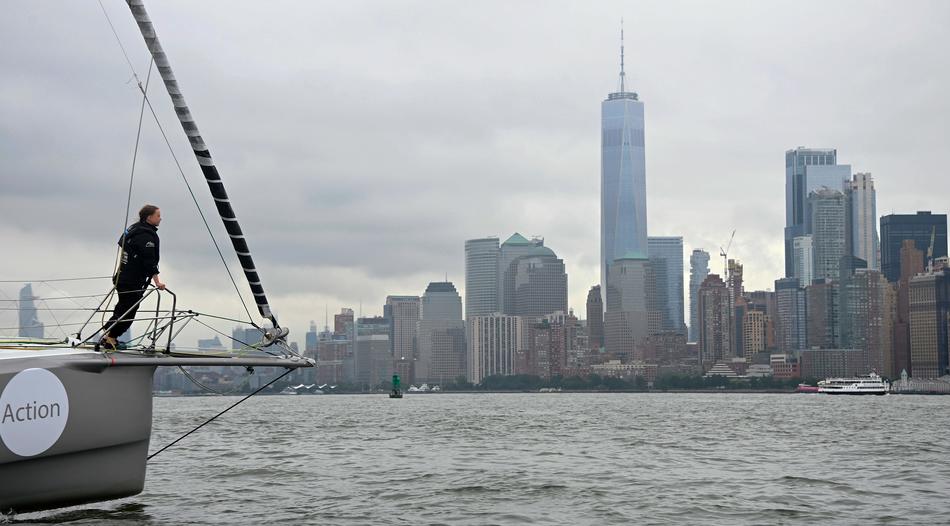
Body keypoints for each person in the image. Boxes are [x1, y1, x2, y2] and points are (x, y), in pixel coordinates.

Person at [100, 204, 166, 350]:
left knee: (122, 308)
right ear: (149, 218)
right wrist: (158, 282)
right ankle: (110, 337)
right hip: (132, 281)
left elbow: (122, 241)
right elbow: (149, 262)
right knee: (128, 311)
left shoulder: (134, 228)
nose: (161, 219)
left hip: (122, 278)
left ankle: (108, 336)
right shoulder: (146, 235)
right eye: (158, 216)